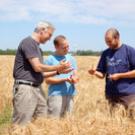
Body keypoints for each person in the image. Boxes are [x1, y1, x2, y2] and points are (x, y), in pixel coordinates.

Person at [13, 21, 72, 125]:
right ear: (42, 31)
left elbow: (41, 74)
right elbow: (37, 67)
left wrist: (58, 71)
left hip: (36, 88)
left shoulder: (38, 48)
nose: (50, 38)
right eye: (49, 35)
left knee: (41, 120)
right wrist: (57, 66)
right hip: (26, 88)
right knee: (21, 124)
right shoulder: (29, 42)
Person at [88, 28, 135, 118]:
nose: (107, 44)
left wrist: (120, 76)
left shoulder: (129, 51)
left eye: (109, 41)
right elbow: (102, 74)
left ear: (117, 38)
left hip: (128, 95)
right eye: (106, 42)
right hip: (111, 95)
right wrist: (94, 72)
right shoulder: (106, 53)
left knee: (131, 122)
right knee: (114, 124)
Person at [45, 35, 79, 117]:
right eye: (64, 47)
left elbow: (76, 75)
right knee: (54, 123)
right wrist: (64, 79)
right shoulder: (50, 59)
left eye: (68, 47)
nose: (67, 49)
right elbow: (47, 80)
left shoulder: (71, 58)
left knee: (68, 123)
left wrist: (74, 79)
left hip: (70, 94)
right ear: (56, 47)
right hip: (56, 95)